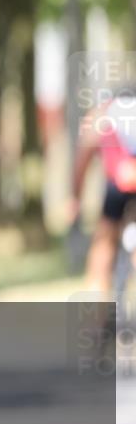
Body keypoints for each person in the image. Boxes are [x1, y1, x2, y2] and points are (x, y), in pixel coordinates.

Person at [70, 84, 136, 295]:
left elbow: (82, 160)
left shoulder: (102, 114)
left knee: (104, 241)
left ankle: (95, 304)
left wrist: (75, 199)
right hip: (126, 177)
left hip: (121, 180)